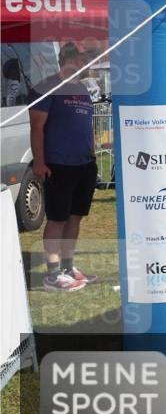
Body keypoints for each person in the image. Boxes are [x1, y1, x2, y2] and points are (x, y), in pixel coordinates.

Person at [28, 43, 98, 292]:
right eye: (83, 56)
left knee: (75, 218)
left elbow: (86, 125)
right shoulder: (46, 87)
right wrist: (39, 161)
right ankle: (53, 273)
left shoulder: (82, 89)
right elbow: (36, 126)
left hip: (84, 164)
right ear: (68, 58)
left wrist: (92, 153)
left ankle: (69, 267)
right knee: (57, 219)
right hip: (58, 164)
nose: (86, 62)